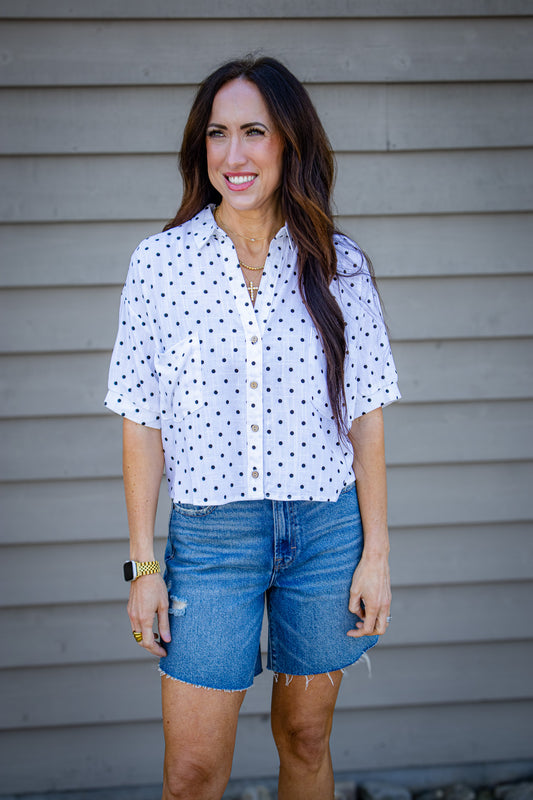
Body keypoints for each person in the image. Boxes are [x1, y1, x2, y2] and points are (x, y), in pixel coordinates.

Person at [105, 55, 400, 800]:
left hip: (325, 537)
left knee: (305, 739)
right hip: (213, 544)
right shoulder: (160, 265)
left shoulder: (340, 265)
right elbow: (140, 419)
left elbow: (365, 417)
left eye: (254, 132)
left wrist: (376, 554)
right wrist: (143, 567)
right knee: (192, 773)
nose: (233, 154)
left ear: (289, 142)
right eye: (217, 134)